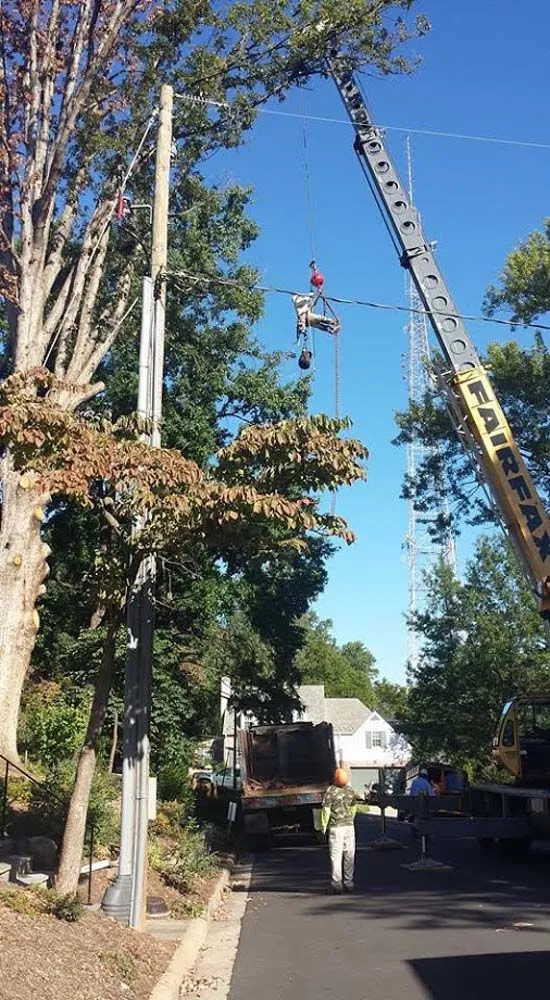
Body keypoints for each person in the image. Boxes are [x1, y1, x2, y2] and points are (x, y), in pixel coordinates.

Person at [321, 767, 360, 894]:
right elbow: (354, 808)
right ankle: (349, 882)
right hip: (349, 826)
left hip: (336, 827)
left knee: (336, 856)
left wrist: (323, 826)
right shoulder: (350, 791)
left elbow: (326, 810)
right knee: (349, 855)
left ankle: (337, 884)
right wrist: (350, 820)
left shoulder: (330, 791)